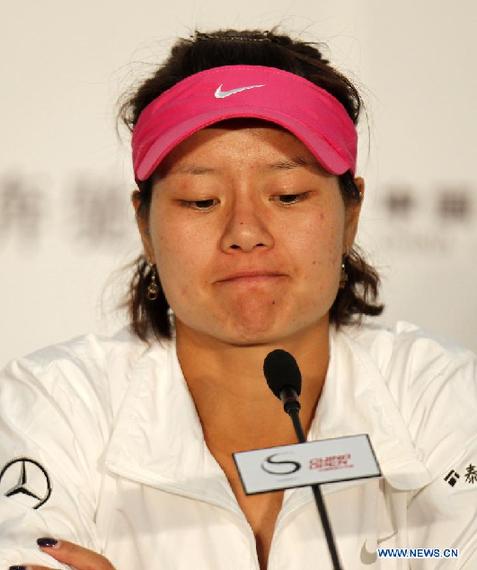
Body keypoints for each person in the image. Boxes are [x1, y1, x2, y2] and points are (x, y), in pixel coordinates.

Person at [0, 28, 476, 570]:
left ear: (351, 214)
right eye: (201, 200)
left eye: (288, 195)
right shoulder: (57, 403)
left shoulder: (447, 400)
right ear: (145, 226)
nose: (245, 231)